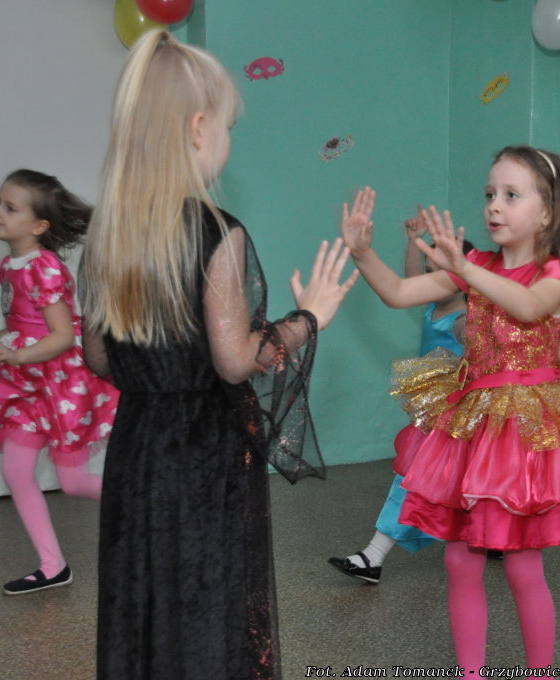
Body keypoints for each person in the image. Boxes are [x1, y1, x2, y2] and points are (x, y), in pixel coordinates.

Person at [79, 30, 357, 679]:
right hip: (202, 455)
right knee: (204, 598)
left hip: (137, 448)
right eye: (228, 128)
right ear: (198, 130)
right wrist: (308, 317)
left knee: (145, 594)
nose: (229, 143)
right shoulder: (216, 231)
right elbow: (236, 359)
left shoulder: (106, 235)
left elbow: (98, 357)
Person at [338, 146, 560, 669]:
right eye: (490, 193)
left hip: (524, 430)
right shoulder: (478, 266)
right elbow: (397, 292)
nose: (494, 205)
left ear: (548, 212)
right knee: (459, 561)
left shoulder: (558, 273)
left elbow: (528, 307)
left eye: (511, 195)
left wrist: (464, 267)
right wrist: (362, 253)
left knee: (521, 567)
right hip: (472, 421)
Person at [0, 169, 119, 595]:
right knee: (16, 471)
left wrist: (15, 355)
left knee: (73, 482)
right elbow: (23, 324)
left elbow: (62, 336)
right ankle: (53, 566)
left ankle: (153, 499)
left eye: (10, 208)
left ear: (38, 225)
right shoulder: (11, 264)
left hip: (61, 384)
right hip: (26, 384)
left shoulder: (44, 268)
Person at [328, 212, 475, 584]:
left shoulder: (463, 319)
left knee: (423, 477)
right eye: (429, 271)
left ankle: (373, 556)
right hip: (433, 409)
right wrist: (413, 241)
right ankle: (375, 556)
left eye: (440, 274)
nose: (430, 280)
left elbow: (481, 350)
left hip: (456, 412)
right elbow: (410, 281)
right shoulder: (433, 305)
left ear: (465, 279)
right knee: (430, 478)